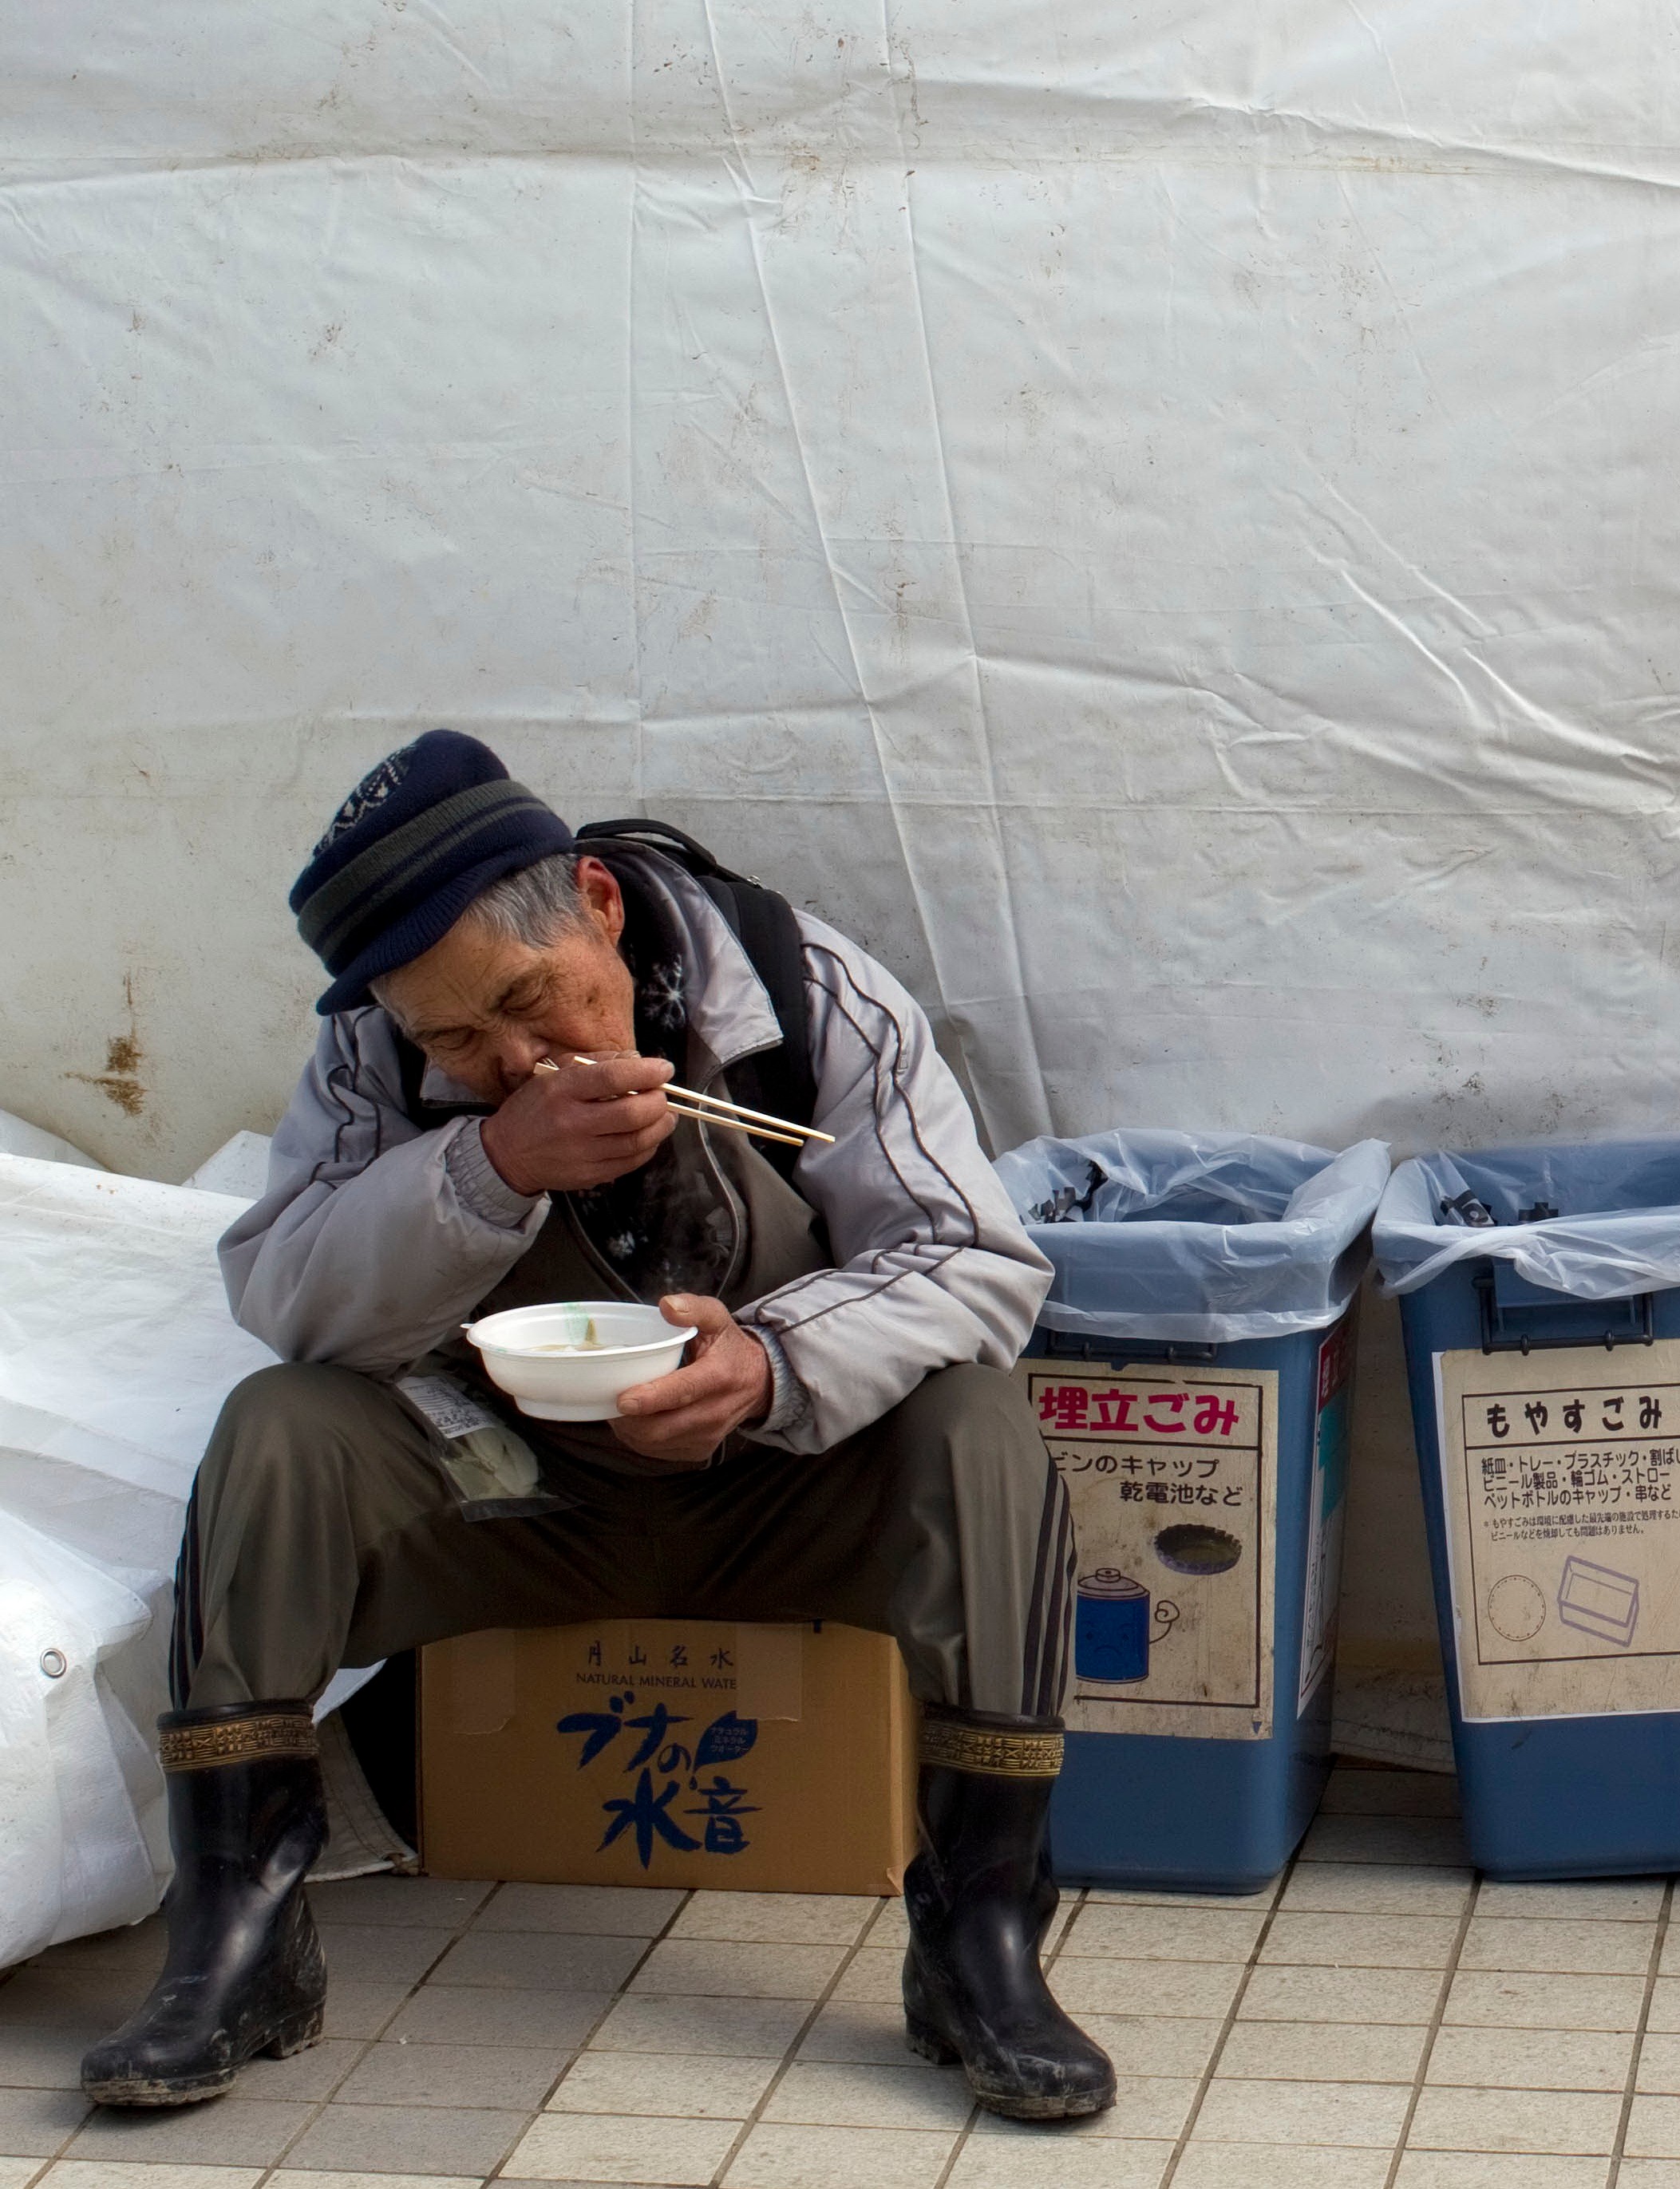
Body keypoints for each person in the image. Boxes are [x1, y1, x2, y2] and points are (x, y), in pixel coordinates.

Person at [84, 733, 1108, 2120]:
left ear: (599, 905)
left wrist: (770, 1364)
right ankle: (238, 1945)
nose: (510, 1058)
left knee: (984, 1428)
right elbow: (282, 1290)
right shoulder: (372, 1054)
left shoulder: (806, 996)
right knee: (280, 1425)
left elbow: (976, 1259)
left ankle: (980, 1947)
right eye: (459, 1039)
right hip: (513, 1489)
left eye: (531, 1002)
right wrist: (484, 1168)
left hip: (779, 1483)